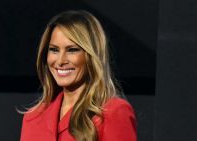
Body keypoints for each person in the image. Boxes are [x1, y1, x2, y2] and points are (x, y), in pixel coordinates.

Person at [20, 10, 137, 141]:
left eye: (72, 50)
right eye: (54, 50)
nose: (60, 61)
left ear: (91, 56)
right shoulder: (33, 118)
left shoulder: (113, 112)